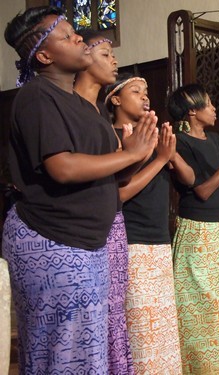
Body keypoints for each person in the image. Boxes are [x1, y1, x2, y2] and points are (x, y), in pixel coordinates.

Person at [2, 6, 157, 374]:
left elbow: (109, 175)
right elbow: (62, 167)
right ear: (44, 55)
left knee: (86, 353)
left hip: (86, 243)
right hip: (51, 238)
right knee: (63, 352)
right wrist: (130, 154)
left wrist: (146, 153)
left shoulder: (81, 105)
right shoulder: (37, 96)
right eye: (67, 35)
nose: (78, 38)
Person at [106, 75, 195, 374]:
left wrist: (167, 155)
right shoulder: (112, 135)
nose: (145, 97)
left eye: (146, 92)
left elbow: (190, 179)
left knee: (163, 328)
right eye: (135, 91)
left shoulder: (153, 136)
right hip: (132, 240)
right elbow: (118, 195)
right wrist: (157, 159)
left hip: (158, 239)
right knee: (142, 330)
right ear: (115, 99)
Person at [167, 83, 219, 374]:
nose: (215, 109)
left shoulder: (215, 140)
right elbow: (201, 191)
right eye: (209, 104)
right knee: (202, 307)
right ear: (192, 111)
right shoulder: (179, 141)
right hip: (196, 231)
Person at [74, 30, 133, 375]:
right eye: (107, 53)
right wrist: (137, 155)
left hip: (113, 223)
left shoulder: (98, 115)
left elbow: (116, 178)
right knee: (98, 316)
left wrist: (135, 153)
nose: (114, 60)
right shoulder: (72, 107)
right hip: (87, 229)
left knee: (113, 312)